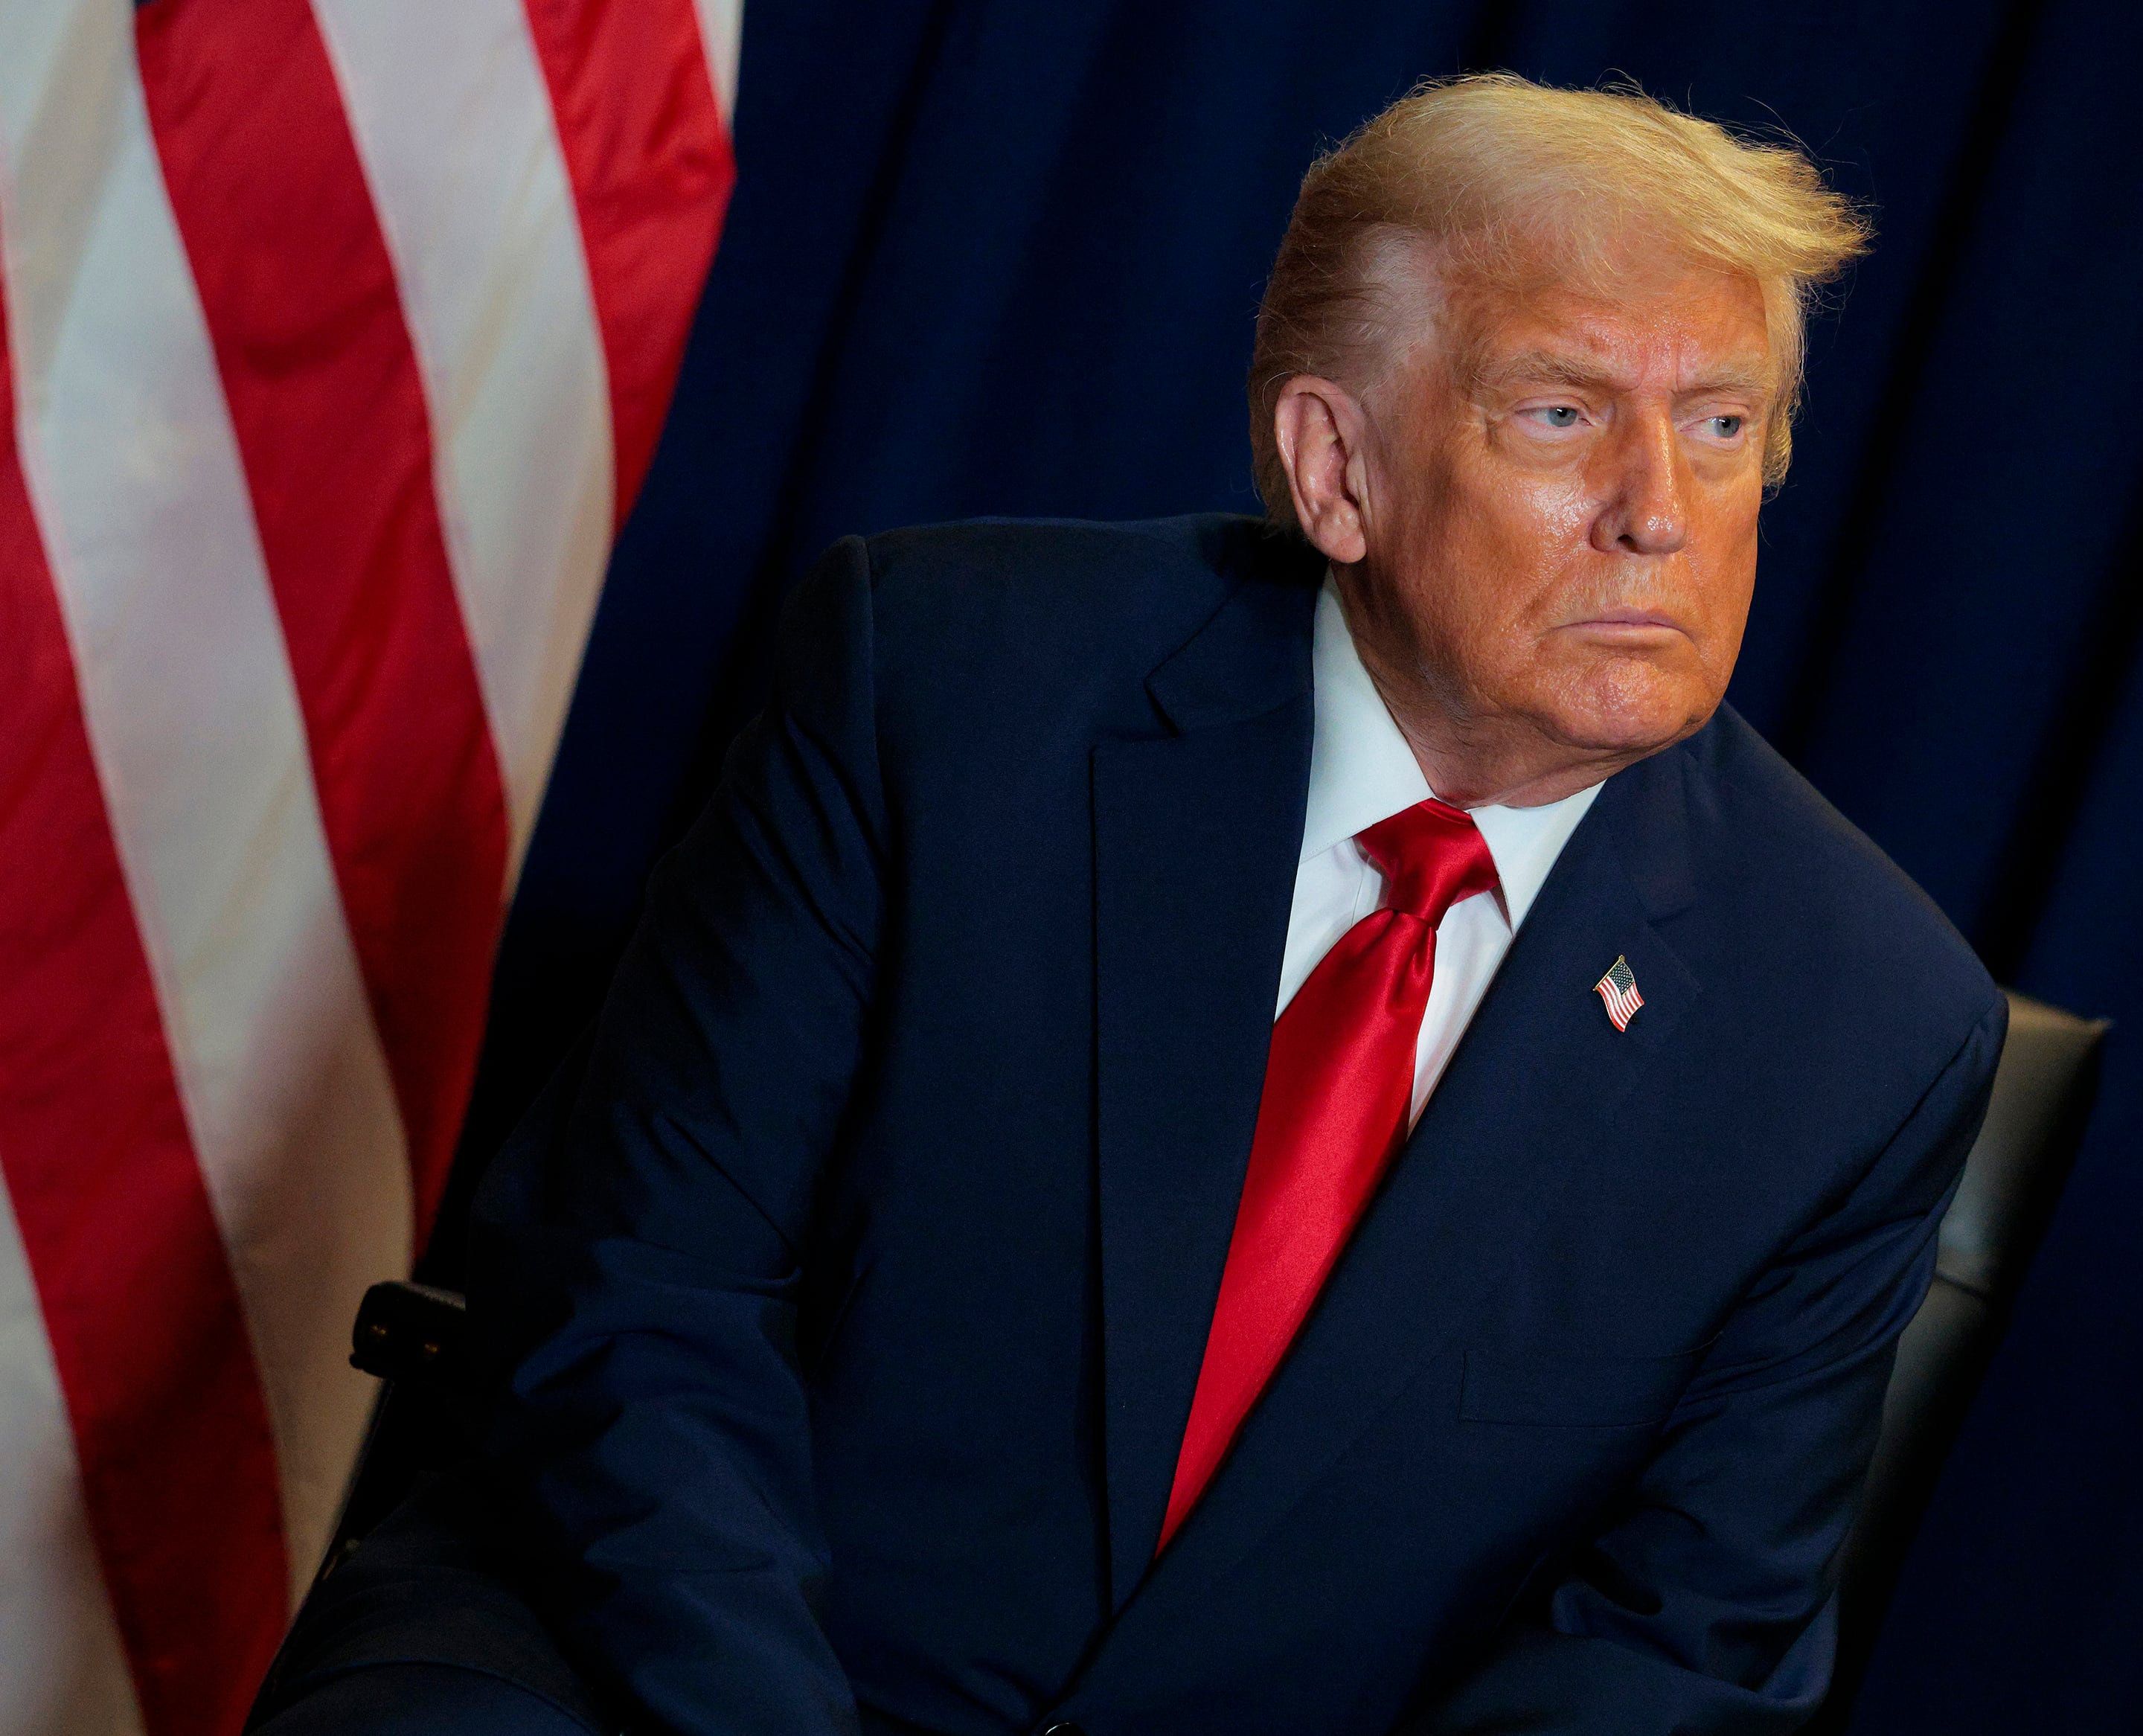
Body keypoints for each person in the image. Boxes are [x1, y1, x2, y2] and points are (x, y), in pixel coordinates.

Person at [255, 73, 2004, 1736]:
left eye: (1722, 429)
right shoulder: (941, 685)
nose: (1660, 515)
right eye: (1561, 414)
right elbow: (644, 1291)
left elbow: (1665, 1654)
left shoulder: (1859, 1027)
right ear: (1337, 467)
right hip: (659, 1661)